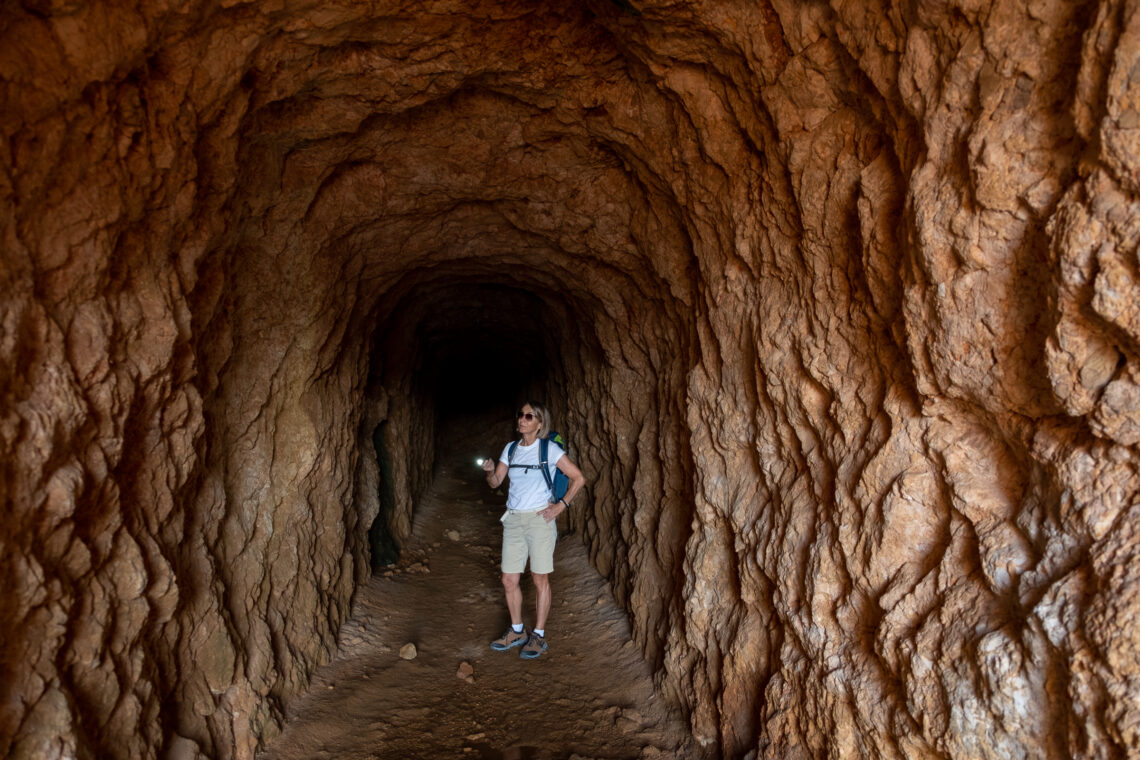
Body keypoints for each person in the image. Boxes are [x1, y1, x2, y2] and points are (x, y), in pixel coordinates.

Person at [481, 401, 585, 659]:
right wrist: (491, 471)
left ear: (540, 423)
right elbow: (496, 483)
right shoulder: (511, 449)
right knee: (509, 579)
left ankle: (538, 635)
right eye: (521, 415)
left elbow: (578, 478)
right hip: (514, 519)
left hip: (540, 519)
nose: (523, 420)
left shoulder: (548, 449)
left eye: (529, 416)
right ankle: (517, 631)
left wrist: (560, 507)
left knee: (540, 579)